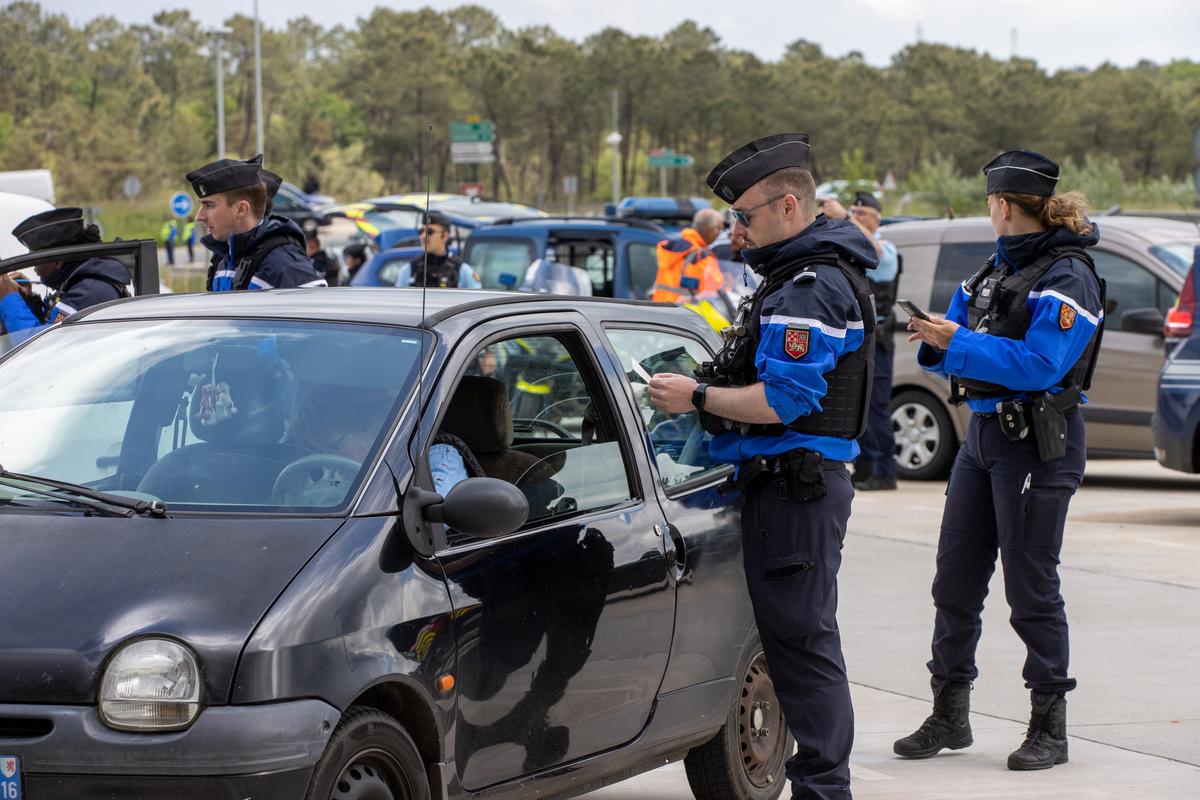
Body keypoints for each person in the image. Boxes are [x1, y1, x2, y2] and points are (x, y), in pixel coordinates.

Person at [649, 133, 879, 800]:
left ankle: (823, 790)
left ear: (786, 206)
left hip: (796, 491)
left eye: (744, 217)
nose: (736, 231)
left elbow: (783, 400)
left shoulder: (809, 289)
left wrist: (693, 397)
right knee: (796, 645)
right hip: (784, 487)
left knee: (803, 651)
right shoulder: (795, 278)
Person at [895, 150, 1104, 771]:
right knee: (954, 581)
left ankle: (1050, 725)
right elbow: (950, 340)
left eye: (989, 201)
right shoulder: (991, 269)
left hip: (1036, 444)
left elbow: (1043, 365)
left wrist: (956, 342)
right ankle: (950, 713)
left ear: (1003, 205)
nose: (989, 209)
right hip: (981, 439)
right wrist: (939, 339)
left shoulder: (1069, 276)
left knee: (1031, 588)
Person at [823, 191, 901, 490]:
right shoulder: (852, 245)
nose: (856, 216)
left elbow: (876, 253)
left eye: (861, 213)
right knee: (858, 404)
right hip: (858, 339)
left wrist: (845, 217)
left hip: (880, 342)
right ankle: (866, 466)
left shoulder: (887, 249)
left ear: (876, 219)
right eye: (854, 212)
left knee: (878, 407)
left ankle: (885, 469)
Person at [186, 155, 325, 292]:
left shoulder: (285, 266)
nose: (199, 216)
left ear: (241, 209)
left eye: (209, 205)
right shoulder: (224, 258)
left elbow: (316, 312)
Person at [0, 208, 131, 343]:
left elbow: (40, 346)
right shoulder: (82, 284)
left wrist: (9, 298)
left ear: (57, 262)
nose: (35, 269)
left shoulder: (87, 293)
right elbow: (49, 328)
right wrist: (28, 299)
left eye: (36, 261)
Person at [650, 207, 726, 303]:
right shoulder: (702, 258)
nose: (719, 234)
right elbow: (717, 294)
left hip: (659, 312)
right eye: (719, 229)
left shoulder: (670, 248)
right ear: (711, 229)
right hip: (684, 315)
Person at [391, 210, 481, 288]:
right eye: (421, 231)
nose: (423, 236)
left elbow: (477, 303)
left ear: (445, 236)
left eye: (429, 232)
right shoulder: (409, 270)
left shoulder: (462, 271)